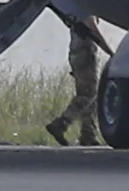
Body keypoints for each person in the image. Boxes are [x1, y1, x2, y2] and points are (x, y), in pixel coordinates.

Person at [46, 11, 112, 146]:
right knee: (87, 95)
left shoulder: (75, 7)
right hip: (84, 54)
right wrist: (110, 52)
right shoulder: (86, 7)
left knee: (90, 95)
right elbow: (92, 29)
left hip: (79, 53)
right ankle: (62, 123)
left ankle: (88, 134)